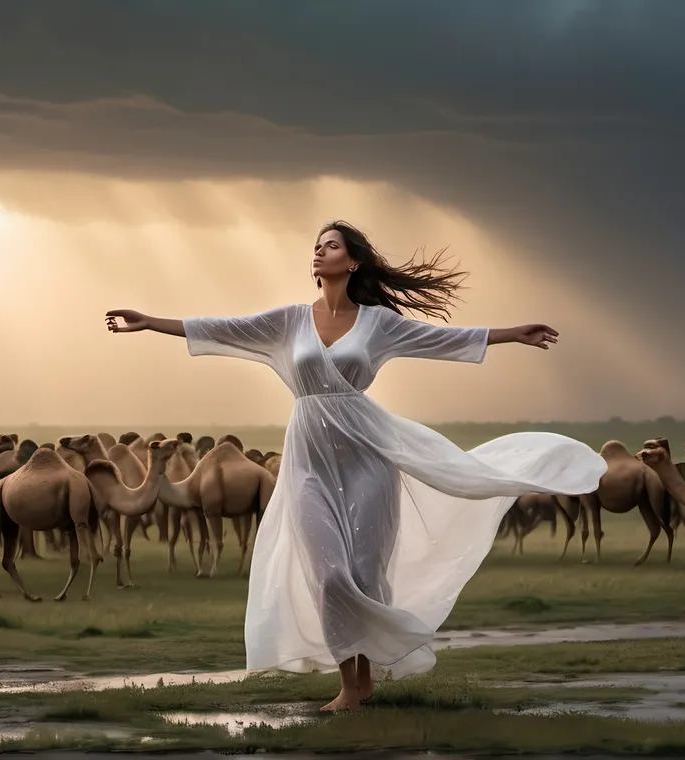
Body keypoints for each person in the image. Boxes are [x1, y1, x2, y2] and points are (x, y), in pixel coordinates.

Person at [105, 220, 606, 712]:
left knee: (366, 573)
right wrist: (149, 321)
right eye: (317, 246)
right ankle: (349, 682)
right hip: (308, 464)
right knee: (330, 576)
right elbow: (219, 329)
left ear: (354, 261)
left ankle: (363, 683)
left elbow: (442, 339)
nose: (319, 252)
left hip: (368, 460)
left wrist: (512, 333)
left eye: (331, 246)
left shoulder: (378, 323)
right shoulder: (288, 321)